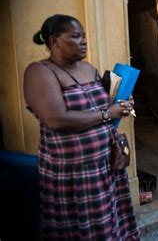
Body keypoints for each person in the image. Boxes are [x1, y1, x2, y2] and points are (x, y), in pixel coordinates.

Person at [23, 14, 140, 239]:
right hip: (74, 175)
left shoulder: (88, 69)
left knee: (111, 223)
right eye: (76, 36)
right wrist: (108, 113)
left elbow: (102, 105)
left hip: (106, 166)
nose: (84, 41)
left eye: (84, 36)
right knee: (82, 230)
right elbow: (56, 119)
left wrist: (122, 103)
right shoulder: (39, 72)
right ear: (54, 41)